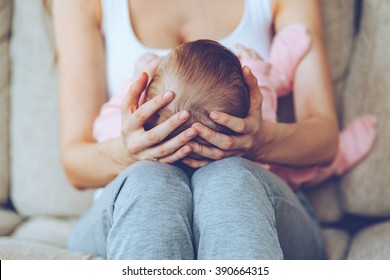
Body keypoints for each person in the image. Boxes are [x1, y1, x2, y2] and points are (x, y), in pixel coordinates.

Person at [54, 0, 343, 259]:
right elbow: (74, 165)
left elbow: (326, 143)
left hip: (253, 200)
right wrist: (127, 152)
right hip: (132, 206)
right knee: (151, 182)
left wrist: (259, 141)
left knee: (228, 179)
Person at [93, 28, 376, 190]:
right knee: (299, 173)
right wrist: (261, 70)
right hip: (250, 172)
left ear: (144, 108)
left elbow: (102, 129)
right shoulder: (256, 102)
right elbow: (275, 83)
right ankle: (344, 154)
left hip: (171, 190)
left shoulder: (141, 132)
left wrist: (132, 85)